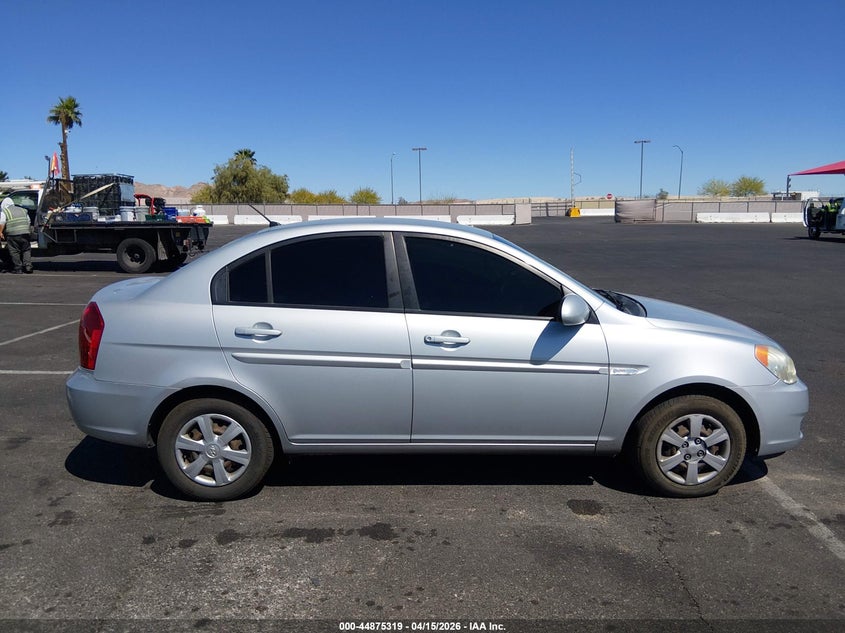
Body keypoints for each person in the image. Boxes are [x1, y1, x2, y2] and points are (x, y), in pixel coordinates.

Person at [0, 197, 33, 274]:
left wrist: (0, 232)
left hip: (13, 234)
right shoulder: (23, 210)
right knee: (26, 250)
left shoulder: (5, 211)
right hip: (25, 233)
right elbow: (28, 221)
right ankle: (28, 267)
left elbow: (2, 222)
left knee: (14, 251)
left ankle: (18, 268)